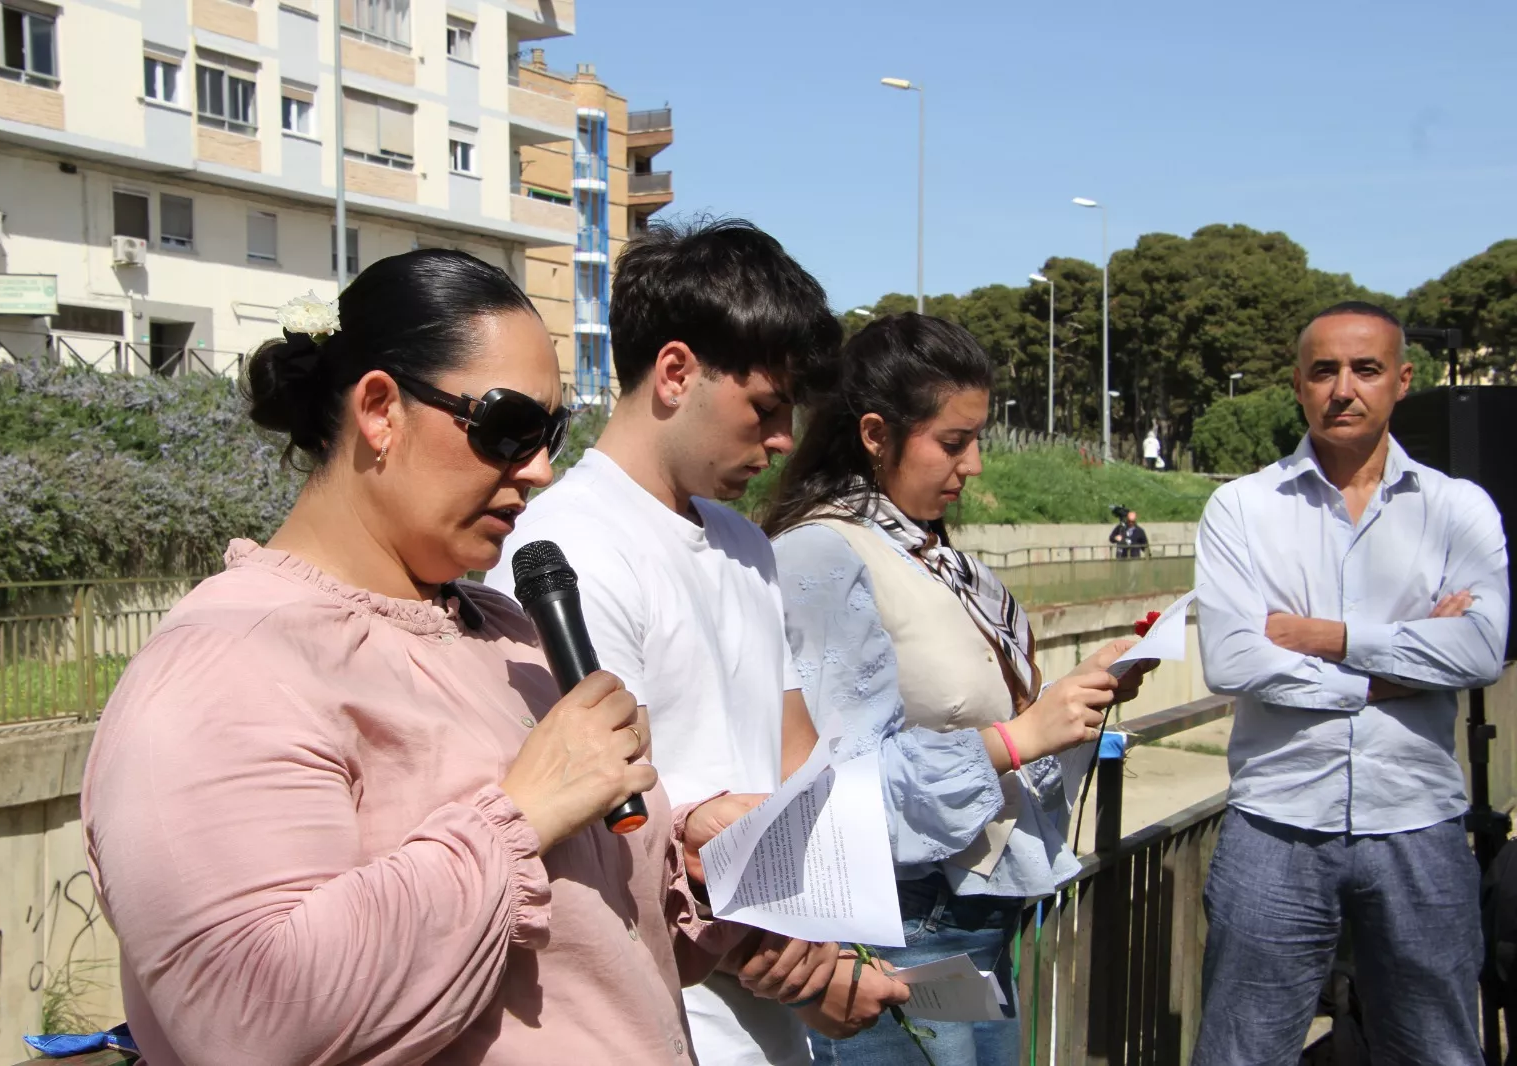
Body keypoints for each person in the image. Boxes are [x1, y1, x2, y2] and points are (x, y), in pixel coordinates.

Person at [79, 251, 826, 1066]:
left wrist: (688, 860)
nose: (539, 469)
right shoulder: (225, 664)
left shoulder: (505, 629)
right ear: (379, 411)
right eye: (507, 428)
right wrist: (520, 817)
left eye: (552, 433)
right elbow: (248, 1020)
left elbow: (593, 953)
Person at [488, 219, 909, 1064]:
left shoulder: (743, 543)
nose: (785, 439)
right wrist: (795, 966)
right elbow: (608, 828)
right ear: (676, 372)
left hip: (772, 1017)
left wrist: (832, 946)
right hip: (661, 1018)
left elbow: (798, 758)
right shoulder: (566, 551)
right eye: (766, 407)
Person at [762, 312, 1154, 1065]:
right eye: (953, 441)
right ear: (875, 434)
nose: (973, 465)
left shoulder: (934, 555)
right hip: (902, 917)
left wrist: (1080, 692)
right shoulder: (824, 552)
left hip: (974, 909)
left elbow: (987, 709)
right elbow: (828, 785)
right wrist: (1017, 740)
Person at [1191, 301, 1510, 1066]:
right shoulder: (1241, 507)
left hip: (1419, 823)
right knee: (1242, 1051)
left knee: (1438, 1049)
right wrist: (1390, 674)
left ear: (1402, 381)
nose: (1344, 388)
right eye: (1324, 370)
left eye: (1365, 369)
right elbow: (1233, 660)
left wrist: (1326, 639)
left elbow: (1479, 652)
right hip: (1275, 821)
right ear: (1297, 385)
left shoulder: (1458, 508)